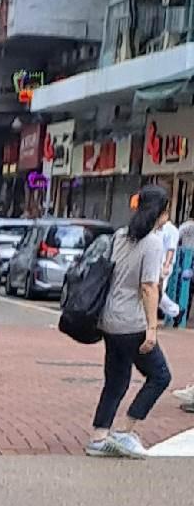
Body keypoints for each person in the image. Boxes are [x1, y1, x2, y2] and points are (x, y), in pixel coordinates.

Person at [88, 182, 175, 457]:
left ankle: (99, 437)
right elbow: (149, 287)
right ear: (159, 211)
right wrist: (152, 328)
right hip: (132, 322)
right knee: (160, 376)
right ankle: (125, 431)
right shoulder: (152, 243)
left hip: (109, 318)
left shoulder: (120, 236)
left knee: (115, 380)